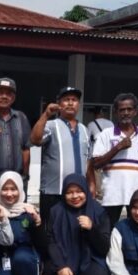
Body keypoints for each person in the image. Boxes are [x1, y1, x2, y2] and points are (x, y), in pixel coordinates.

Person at [44, 174, 111, 275]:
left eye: (79, 191)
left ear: (86, 191)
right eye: (69, 192)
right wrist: (61, 265)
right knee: (51, 268)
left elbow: (104, 247)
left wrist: (92, 229)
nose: (75, 196)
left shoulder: (98, 211)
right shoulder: (56, 211)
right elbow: (51, 241)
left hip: (89, 261)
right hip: (65, 259)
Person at [30, 86, 94, 226]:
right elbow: (35, 140)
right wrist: (45, 115)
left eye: (74, 100)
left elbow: (88, 161)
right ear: (59, 103)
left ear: (79, 104)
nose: (70, 103)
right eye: (66, 100)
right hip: (54, 192)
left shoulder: (84, 129)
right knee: (50, 230)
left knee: (75, 229)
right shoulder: (51, 125)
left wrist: (92, 184)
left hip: (77, 194)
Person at [92, 93, 138, 226]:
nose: (126, 113)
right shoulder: (106, 134)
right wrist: (118, 147)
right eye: (122, 109)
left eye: (129, 109)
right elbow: (96, 164)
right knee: (107, 229)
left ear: (135, 111)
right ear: (116, 111)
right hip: (112, 193)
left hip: (137, 192)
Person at [86, 106, 114, 199]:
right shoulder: (110, 123)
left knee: (96, 171)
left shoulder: (91, 124)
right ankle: (109, 191)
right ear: (102, 113)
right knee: (109, 171)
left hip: (97, 151)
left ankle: (99, 192)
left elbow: (87, 139)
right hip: (109, 152)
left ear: (94, 114)